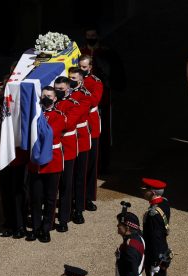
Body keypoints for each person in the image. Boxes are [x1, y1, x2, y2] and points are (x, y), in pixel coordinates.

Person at [80, 26, 126, 175]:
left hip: (104, 97)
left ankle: (103, 165)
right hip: (84, 99)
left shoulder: (107, 52)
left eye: (93, 35)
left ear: (97, 36)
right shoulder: (80, 52)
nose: (90, 37)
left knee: (104, 132)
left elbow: (116, 73)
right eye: (88, 35)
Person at [0, 75, 28, 239]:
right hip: (2, 152)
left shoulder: (20, 104)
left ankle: (20, 224)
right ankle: (10, 221)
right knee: (5, 191)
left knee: (19, 191)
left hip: (18, 155)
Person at [26, 87, 66, 243]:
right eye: (43, 96)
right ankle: (36, 228)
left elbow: (49, 133)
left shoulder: (58, 116)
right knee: (36, 198)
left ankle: (46, 228)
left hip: (52, 161)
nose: (46, 98)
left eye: (49, 96)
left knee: (50, 198)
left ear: (55, 98)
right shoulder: (35, 114)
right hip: (36, 161)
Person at [69, 59, 103, 211]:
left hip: (90, 126)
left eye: (84, 67)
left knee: (89, 165)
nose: (82, 69)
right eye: (80, 67)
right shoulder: (73, 82)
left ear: (90, 67)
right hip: (77, 127)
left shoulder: (95, 82)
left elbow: (94, 101)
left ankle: (87, 197)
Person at [69, 70, 96, 224]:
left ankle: (78, 209)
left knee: (79, 176)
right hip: (70, 139)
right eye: (70, 78)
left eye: (74, 79)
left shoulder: (85, 94)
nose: (72, 81)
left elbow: (78, 113)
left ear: (80, 80)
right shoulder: (67, 93)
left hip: (81, 137)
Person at [52, 79, 79, 232]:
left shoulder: (73, 103)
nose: (58, 91)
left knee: (65, 186)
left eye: (61, 89)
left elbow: (68, 124)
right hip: (53, 149)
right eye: (56, 88)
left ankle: (63, 218)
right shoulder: (51, 103)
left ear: (68, 89)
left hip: (66, 148)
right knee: (50, 187)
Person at [142, 178, 172, 276]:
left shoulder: (153, 214)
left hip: (155, 256)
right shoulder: (164, 203)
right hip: (162, 251)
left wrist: (155, 262)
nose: (143, 191)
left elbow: (155, 239)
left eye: (146, 190)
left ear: (153, 192)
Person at [114, 201, 145, 276]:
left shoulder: (130, 247)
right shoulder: (138, 236)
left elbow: (132, 271)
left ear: (127, 228)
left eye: (120, 224)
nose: (117, 226)